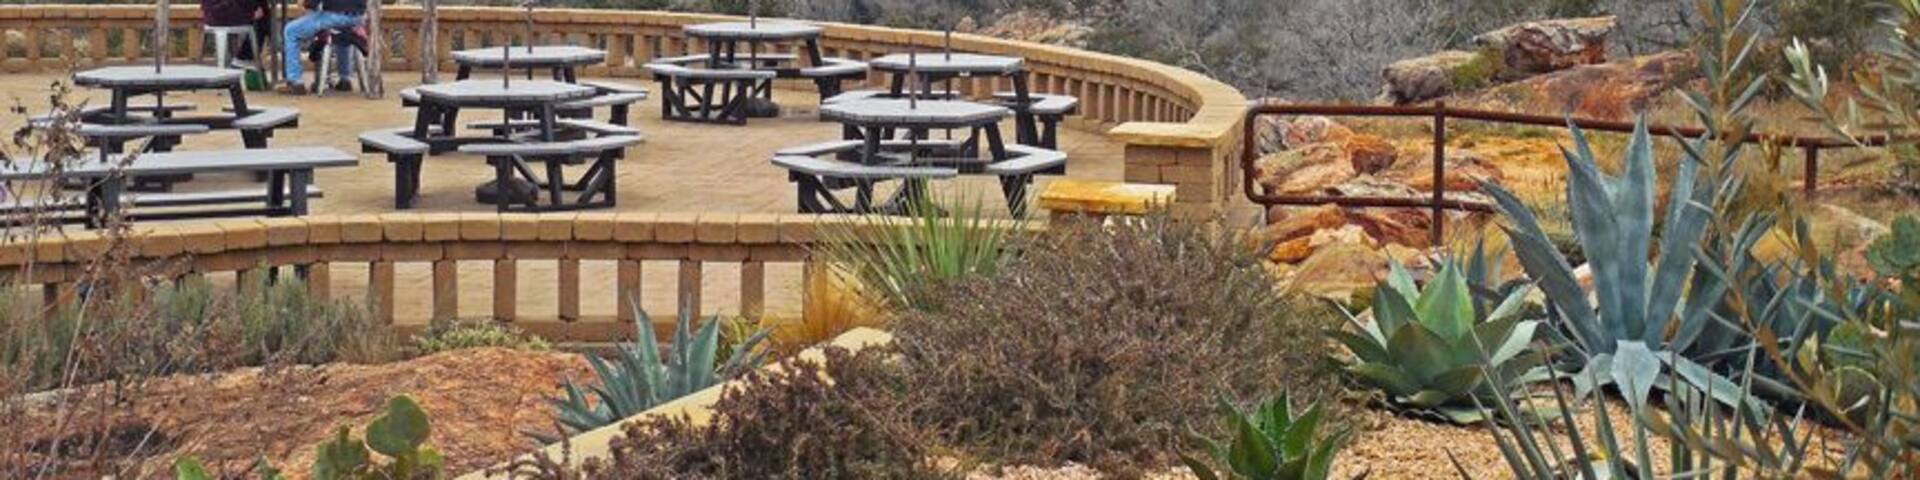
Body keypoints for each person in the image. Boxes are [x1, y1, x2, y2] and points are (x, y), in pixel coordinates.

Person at [277, 0, 366, 95]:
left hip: (334, 17)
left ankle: (295, 82)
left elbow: (312, 4)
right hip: (358, 18)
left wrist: (307, 4)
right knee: (342, 33)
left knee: (291, 30)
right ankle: (345, 79)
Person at [199, 0, 270, 68]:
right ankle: (245, 57)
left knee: (263, 16)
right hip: (224, 12)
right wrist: (251, 12)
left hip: (212, 13)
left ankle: (245, 57)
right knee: (264, 18)